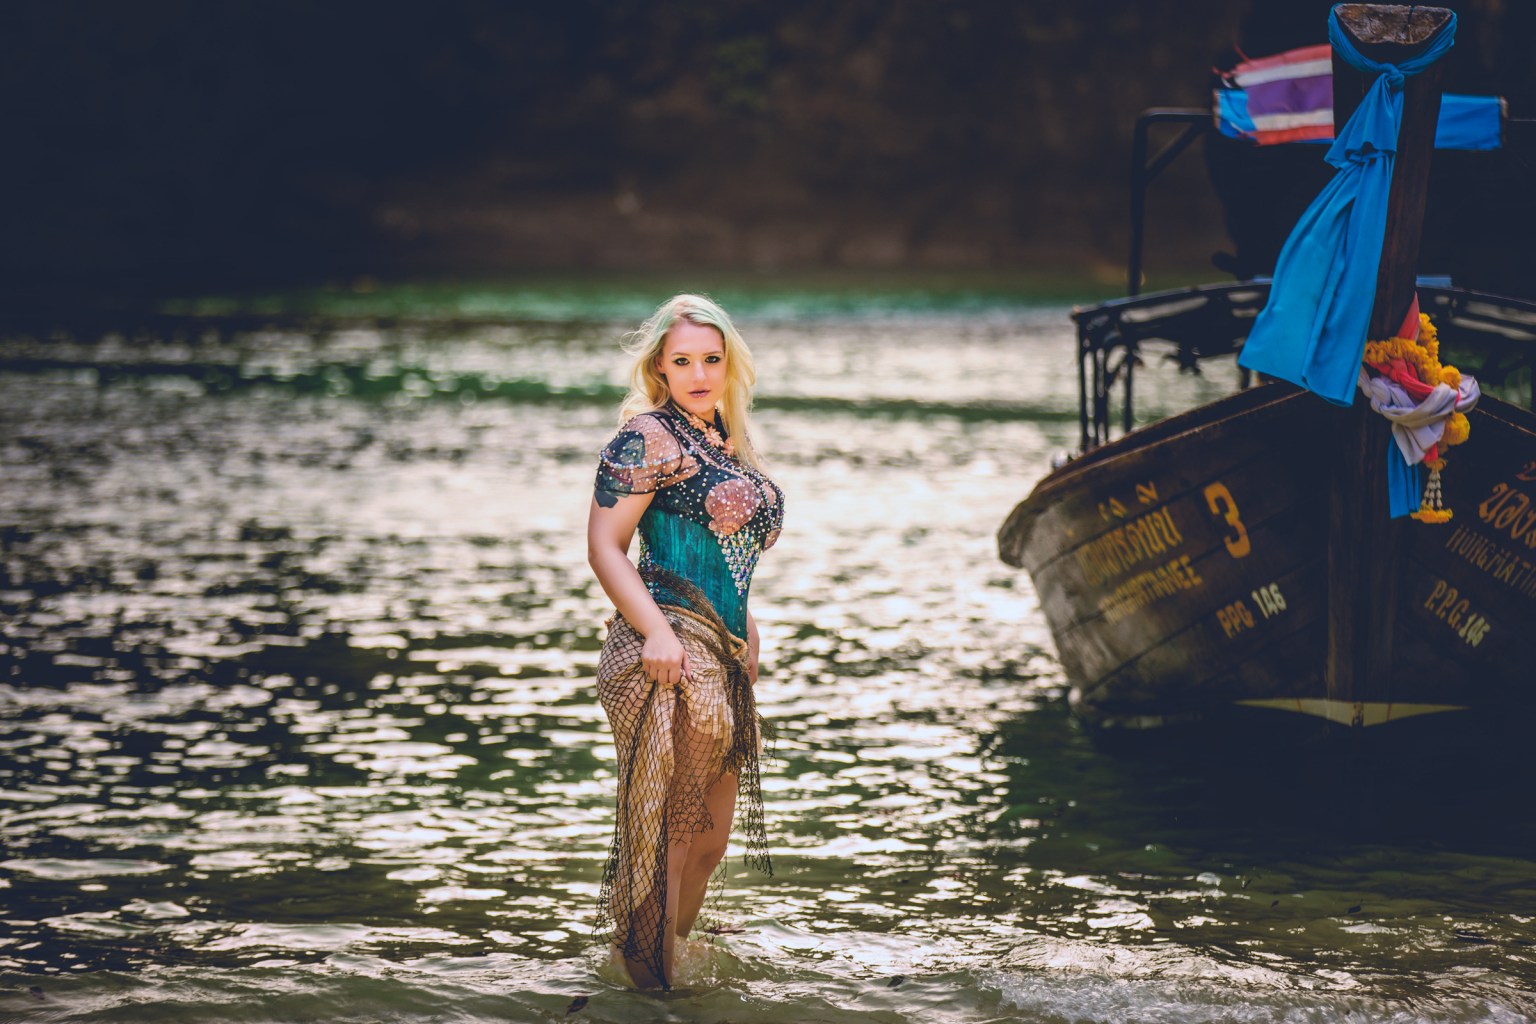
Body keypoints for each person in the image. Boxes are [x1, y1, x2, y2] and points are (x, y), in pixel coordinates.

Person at [586, 293, 783, 990]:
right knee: (669, 835)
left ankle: (648, 966)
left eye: (711, 359)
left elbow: (726, 550)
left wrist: (747, 624)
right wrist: (658, 632)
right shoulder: (648, 437)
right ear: (659, 369)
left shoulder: (726, 440)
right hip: (663, 652)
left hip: (723, 654)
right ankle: (657, 990)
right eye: (682, 361)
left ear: (730, 364)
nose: (699, 373)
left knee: (709, 842)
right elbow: (606, 548)